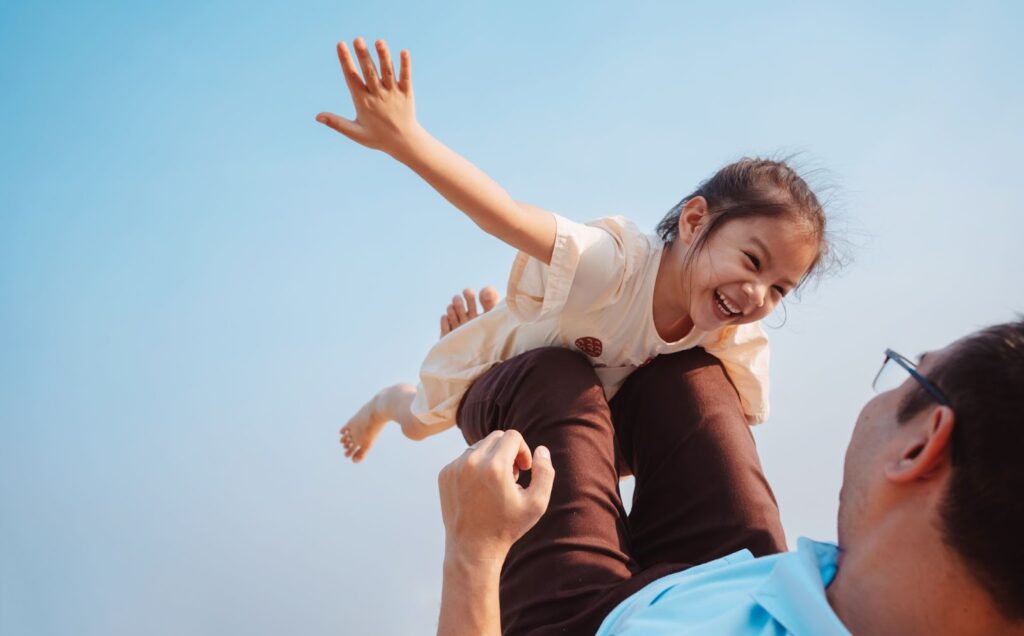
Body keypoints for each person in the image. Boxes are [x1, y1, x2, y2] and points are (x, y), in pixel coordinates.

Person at [317, 38, 833, 463]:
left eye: (780, 288)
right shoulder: (615, 266)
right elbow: (505, 215)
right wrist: (408, 141)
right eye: (752, 261)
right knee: (421, 424)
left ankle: (499, 319)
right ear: (695, 221)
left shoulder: (731, 331)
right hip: (502, 369)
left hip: (587, 415)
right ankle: (389, 399)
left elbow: (723, 428)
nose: (757, 294)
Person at [435, 320, 1024, 635]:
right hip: (761, 576)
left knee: (547, 375)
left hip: (586, 621)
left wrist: (474, 552)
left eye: (908, 378)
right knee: (686, 373)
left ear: (920, 444)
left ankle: (485, 381)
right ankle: (589, 427)